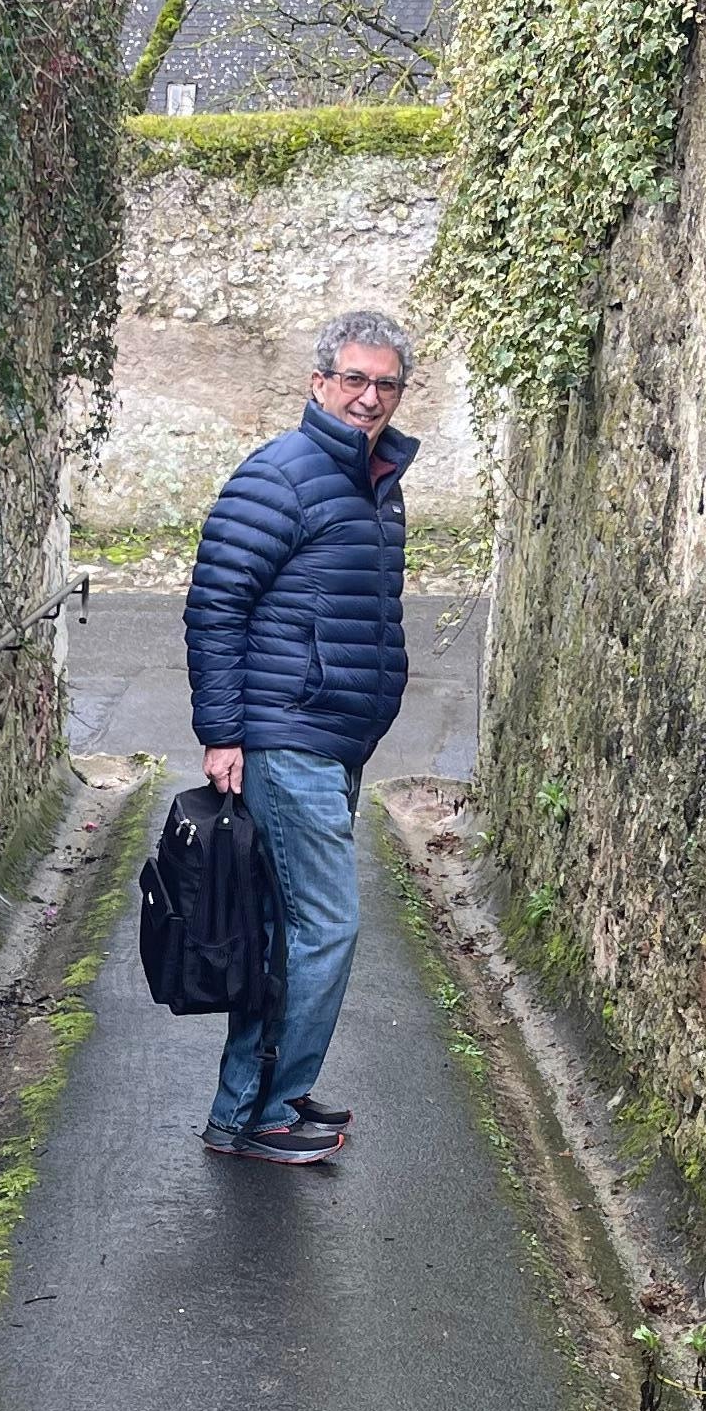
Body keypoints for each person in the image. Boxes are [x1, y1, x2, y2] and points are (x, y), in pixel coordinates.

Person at [181, 308, 415, 1163]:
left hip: (333, 742)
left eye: (385, 383)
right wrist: (223, 734)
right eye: (352, 378)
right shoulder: (281, 474)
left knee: (286, 930)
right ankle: (270, 1110)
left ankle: (250, 1108)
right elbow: (217, 605)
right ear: (319, 383)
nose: (368, 396)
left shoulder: (375, 484)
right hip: (288, 739)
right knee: (327, 924)